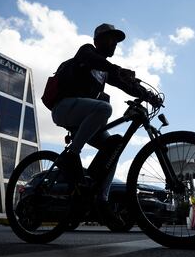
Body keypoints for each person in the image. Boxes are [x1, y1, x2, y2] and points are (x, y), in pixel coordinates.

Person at [51, 23, 158, 225]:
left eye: (116, 41)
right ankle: (71, 155)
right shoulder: (86, 51)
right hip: (63, 108)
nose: (114, 44)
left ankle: (100, 200)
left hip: (83, 119)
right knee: (104, 108)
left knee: (115, 147)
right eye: (110, 39)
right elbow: (93, 60)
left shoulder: (105, 72)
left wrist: (148, 95)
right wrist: (117, 69)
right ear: (97, 40)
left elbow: (125, 84)